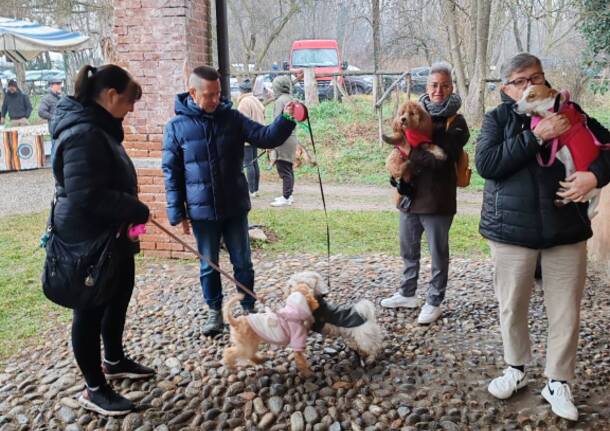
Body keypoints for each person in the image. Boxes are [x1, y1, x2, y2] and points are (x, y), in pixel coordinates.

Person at [476, 53, 610, 421]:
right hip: (510, 232)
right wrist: (537, 136)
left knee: (566, 309)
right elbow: (487, 165)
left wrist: (594, 177)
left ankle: (558, 381)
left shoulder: (571, 110)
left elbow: (607, 147)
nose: (531, 85)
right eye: (521, 80)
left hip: (565, 229)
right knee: (511, 304)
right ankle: (515, 369)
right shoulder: (498, 119)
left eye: (537, 77)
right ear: (505, 87)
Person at [50, 64, 155, 416]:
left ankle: (114, 359)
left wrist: (130, 213)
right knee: (90, 308)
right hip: (87, 240)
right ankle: (94, 388)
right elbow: (85, 194)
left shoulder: (100, 127)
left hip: (111, 235)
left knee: (119, 292)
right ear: (110, 96)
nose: (131, 110)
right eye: (128, 102)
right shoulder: (83, 132)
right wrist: (133, 207)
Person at [162, 66, 296, 336]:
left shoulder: (233, 118)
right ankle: (214, 312)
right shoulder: (176, 127)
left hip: (234, 207)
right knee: (208, 263)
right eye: (209, 95)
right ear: (192, 93)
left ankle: (248, 308)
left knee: (243, 262)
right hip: (201, 212)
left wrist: (287, 118)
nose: (215, 100)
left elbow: (266, 137)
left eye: (218, 94)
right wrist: (177, 213)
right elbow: (171, 171)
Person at [380, 62, 470, 325]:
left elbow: (441, 160)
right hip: (410, 197)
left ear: (451, 87)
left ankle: (434, 300)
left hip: (438, 199)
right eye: (433, 85)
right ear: (426, 87)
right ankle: (407, 293)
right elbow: (401, 146)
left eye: (444, 85)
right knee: (408, 248)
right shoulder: (413, 112)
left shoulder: (457, 123)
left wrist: (409, 150)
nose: (438, 90)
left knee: (438, 252)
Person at [270, 76, 298, 207]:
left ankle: (286, 197)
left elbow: (276, 121)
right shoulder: (291, 99)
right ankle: (289, 195)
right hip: (292, 138)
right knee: (288, 168)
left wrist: (270, 138)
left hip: (283, 140)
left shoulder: (280, 101)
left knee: (283, 169)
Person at [237, 79, 265, 197]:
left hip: (247, 138)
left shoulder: (244, 102)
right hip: (257, 136)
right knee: (254, 162)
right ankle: (256, 189)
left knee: (248, 163)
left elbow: (240, 122)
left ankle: (251, 190)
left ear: (242, 91)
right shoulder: (256, 100)